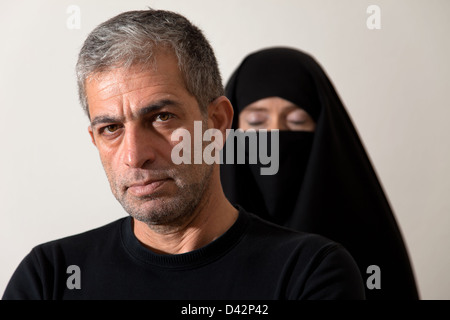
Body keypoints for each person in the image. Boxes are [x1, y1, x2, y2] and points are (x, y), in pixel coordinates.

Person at [2, 10, 365, 300]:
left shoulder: (308, 271)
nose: (135, 155)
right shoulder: (50, 276)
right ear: (94, 138)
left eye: (161, 118)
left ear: (218, 122)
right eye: (110, 128)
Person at [220, 47, 419, 299]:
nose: (275, 134)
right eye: (257, 122)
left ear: (324, 129)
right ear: (230, 129)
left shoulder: (366, 236)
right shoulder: (196, 234)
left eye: (296, 121)